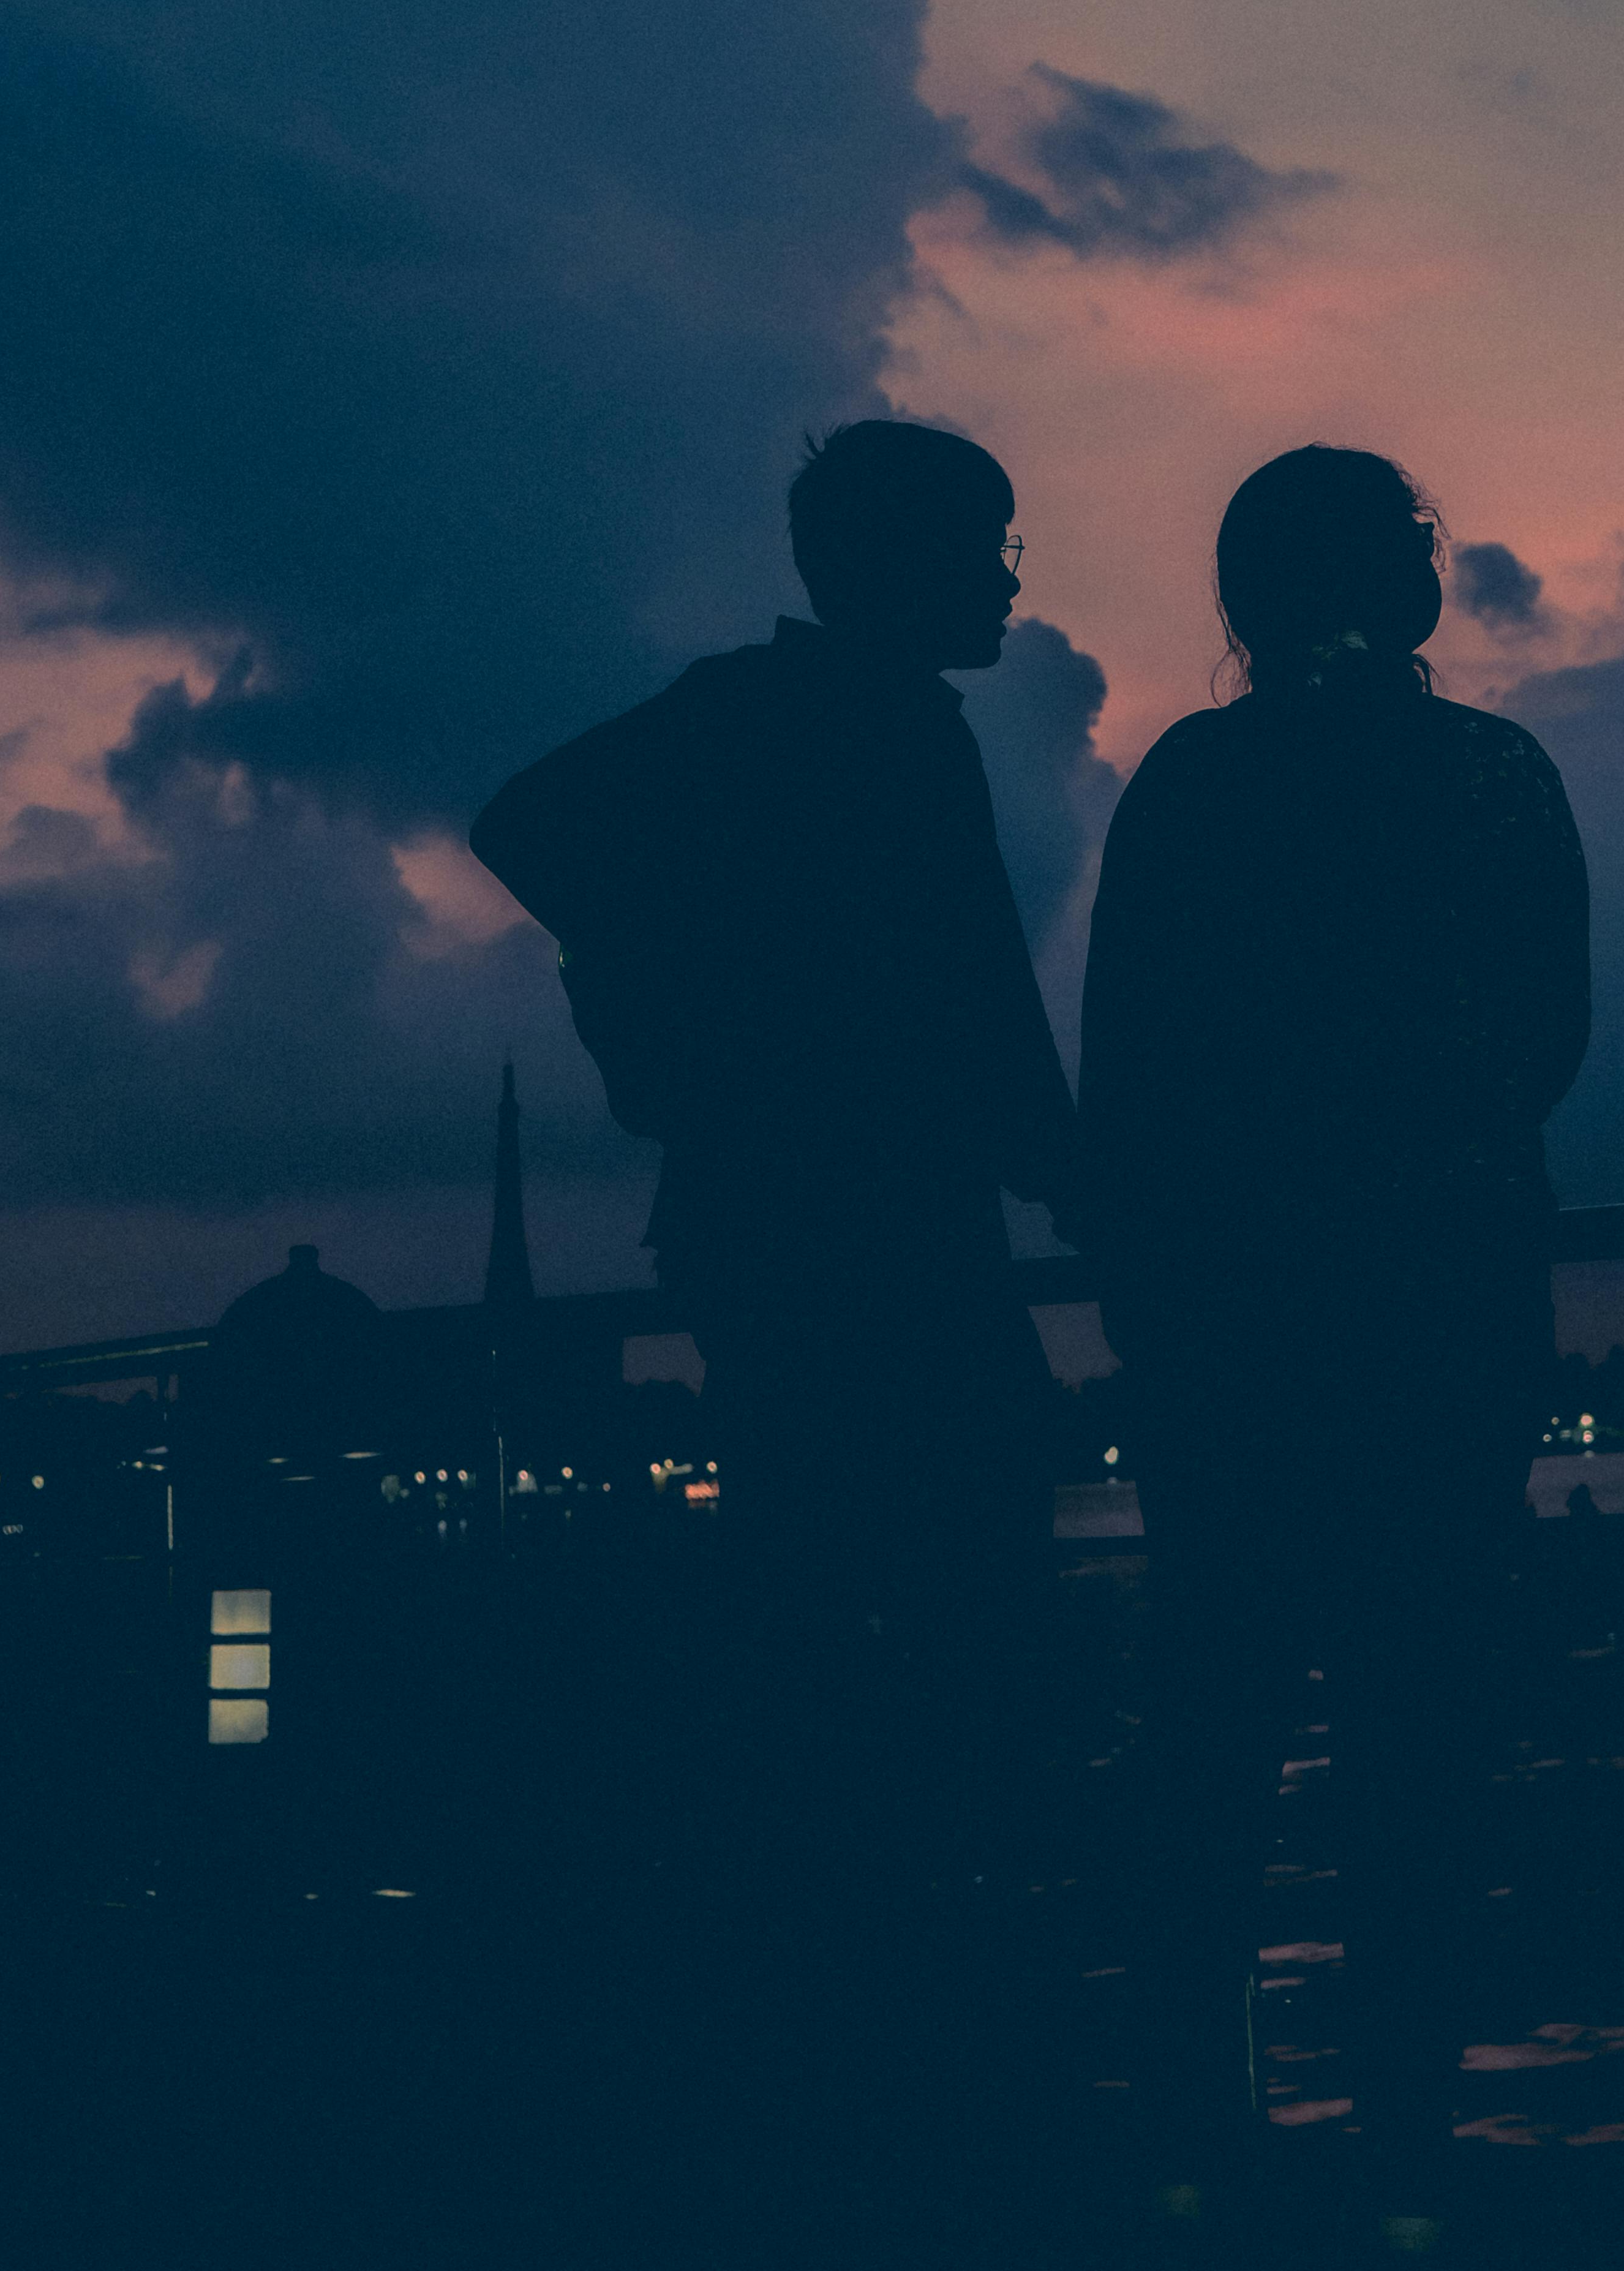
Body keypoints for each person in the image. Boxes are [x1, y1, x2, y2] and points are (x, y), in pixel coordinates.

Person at [467, 420, 1079, 2070]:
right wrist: (1073, 1172)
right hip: (881, 1227)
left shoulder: (750, 713)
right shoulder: (872, 734)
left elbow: (528, 826)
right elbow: (983, 1008)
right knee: (962, 1577)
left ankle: (847, 1959)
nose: (1011, 579)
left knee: (830, 1574)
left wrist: (671, 1014)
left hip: (761, 1224)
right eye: (988, 543)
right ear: (898, 562)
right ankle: (934, 1976)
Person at [1077, 445, 1590, 2228]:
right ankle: (1406, 2128)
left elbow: (1123, 1077)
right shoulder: (1490, 778)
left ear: (1246, 603)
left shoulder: (1194, 784)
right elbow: (1543, 1041)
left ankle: (1203, 2122)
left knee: (1211, 1726)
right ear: (1421, 590)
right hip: (1441, 1321)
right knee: (1417, 1733)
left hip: (1228, 1337)